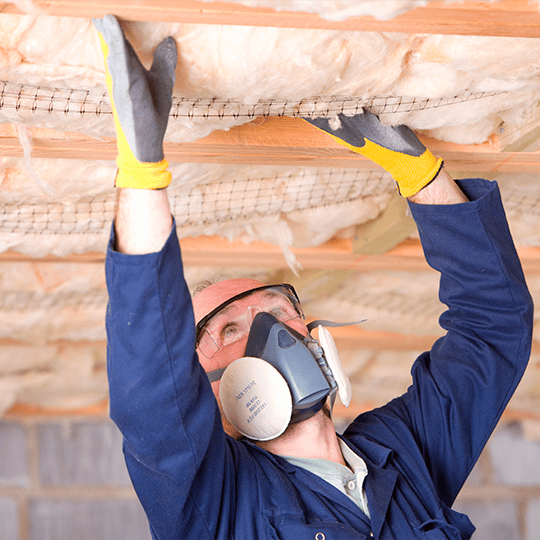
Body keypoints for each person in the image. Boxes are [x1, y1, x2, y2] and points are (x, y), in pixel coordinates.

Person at [95, 15, 533, 540]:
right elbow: (149, 392)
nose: (271, 335)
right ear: (200, 389)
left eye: (279, 314)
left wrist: (422, 176)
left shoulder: (404, 454)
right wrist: (142, 179)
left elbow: (493, 329)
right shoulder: (217, 504)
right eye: (230, 330)